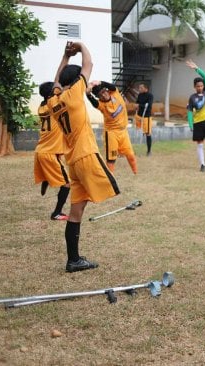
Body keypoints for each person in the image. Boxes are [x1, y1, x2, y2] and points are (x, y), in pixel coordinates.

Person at [47, 41, 120, 273]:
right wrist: (80, 46)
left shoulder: (54, 101)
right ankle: (74, 259)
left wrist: (65, 57)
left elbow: (56, 81)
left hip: (73, 163)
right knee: (112, 186)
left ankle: (74, 260)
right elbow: (89, 63)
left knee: (77, 211)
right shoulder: (75, 93)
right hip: (86, 155)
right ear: (77, 80)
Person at [34, 81, 70, 221]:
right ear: (52, 93)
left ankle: (47, 179)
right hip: (49, 153)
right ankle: (57, 213)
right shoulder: (54, 106)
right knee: (67, 184)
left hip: (43, 151)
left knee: (61, 164)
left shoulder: (41, 107)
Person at [86, 80, 138, 174]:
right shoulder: (101, 105)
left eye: (103, 92)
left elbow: (111, 86)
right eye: (99, 95)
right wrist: (88, 94)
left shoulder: (115, 93)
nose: (103, 95)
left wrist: (100, 82)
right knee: (111, 159)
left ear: (106, 90)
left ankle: (135, 172)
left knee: (130, 155)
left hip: (123, 132)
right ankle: (110, 180)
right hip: (111, 134)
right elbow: (93, 102)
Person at [135, 83, 154, 156]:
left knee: (148, 133)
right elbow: (137, 103)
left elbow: (149, 106)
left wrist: (139, 105)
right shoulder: (139, 95)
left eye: (141, 88)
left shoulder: (150, 96)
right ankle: (137, 148)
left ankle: (149, 151)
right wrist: (136, 106)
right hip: (139, 116)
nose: (139, 89)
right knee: (139, 131)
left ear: (146, 88)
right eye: (139, 88)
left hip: (146, 117)